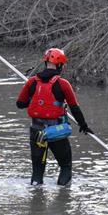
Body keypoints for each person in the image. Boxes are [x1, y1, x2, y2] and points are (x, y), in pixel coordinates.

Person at [16, 48, 94, 186]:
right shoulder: (63, 84)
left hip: (36, 131)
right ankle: (63, 199)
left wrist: (34, 99)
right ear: (60, 65)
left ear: (46, 63)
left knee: (37, 172)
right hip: (56, 131)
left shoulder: (32, 82)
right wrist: (84, 126)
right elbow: (74, 108)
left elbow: (20, 104)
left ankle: (36, 200)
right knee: (65, 166)